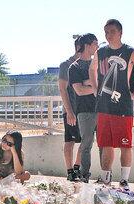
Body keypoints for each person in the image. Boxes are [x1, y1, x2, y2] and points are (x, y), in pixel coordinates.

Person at [90, 19, 134, 190]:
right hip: (104, 106)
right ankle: (106, 180)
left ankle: (124, 180)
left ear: (120, 32)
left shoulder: (130, 51)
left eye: (112, 31)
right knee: (106, 143)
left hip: (123, 107)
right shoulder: (101, 51)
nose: (108, 34)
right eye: (106, 31)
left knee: (124, 144)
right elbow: (92, 69)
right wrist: (95, 88)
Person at [69, 33, 100, 183]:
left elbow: (104, 83)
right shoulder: (74, 67)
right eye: (95, 43)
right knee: (86, 144)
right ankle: (84, 175)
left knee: (104, 144)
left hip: (102, 110)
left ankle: (106, 175)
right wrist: (96, 87)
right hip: (85, 112)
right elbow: (79, 90)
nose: (97, 46)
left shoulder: (99, 64)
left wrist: (89, 83)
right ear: (87, 45)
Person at [58, 37, 83, 182]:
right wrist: (69, 111)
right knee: (70, 140)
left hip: (86, 109)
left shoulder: (88, 64)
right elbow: (62, 88)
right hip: (71, 109)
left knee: (86, 140)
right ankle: (70, 171)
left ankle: (77, 168)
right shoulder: (66, 65)